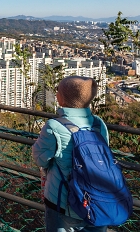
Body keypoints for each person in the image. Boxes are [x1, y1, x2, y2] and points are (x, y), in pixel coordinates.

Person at [31, 76, 109, 232]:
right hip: (97, 200)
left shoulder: (54, 126)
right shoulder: (98, 124)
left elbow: (40, 158)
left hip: (62, 202)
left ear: (61, 98)